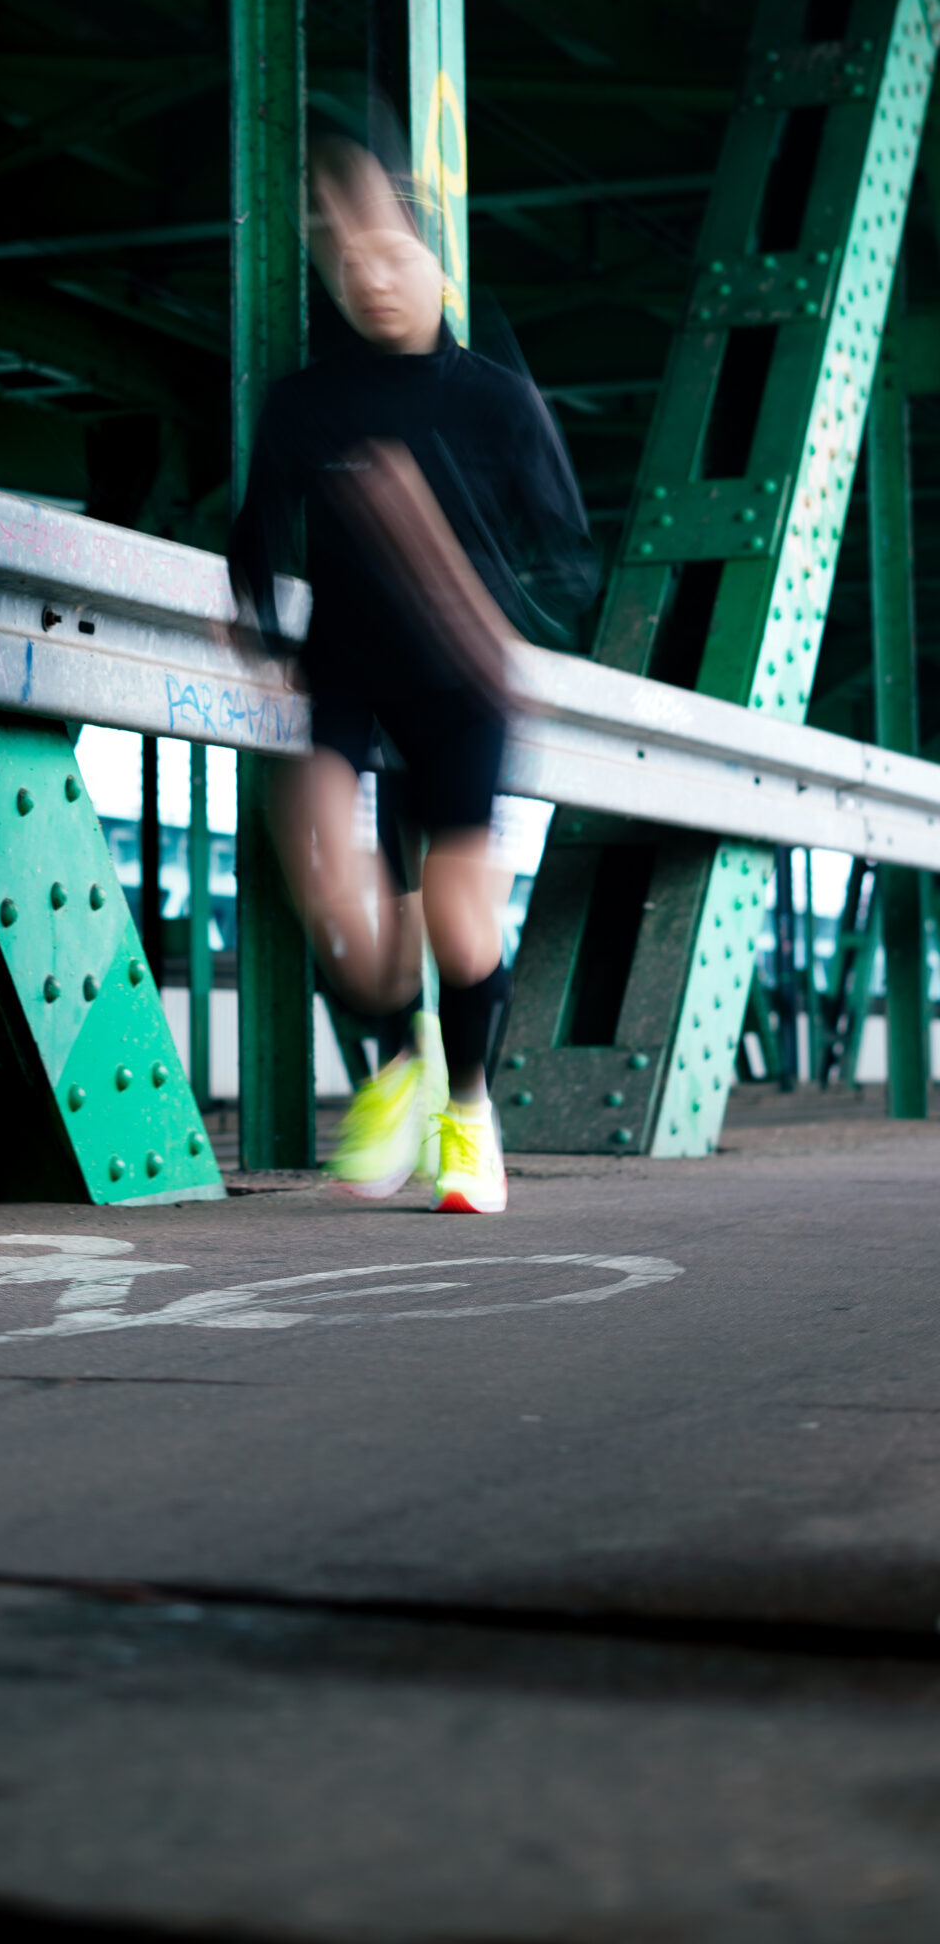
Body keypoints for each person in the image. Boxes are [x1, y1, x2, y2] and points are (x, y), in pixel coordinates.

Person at [228, 137, 598, 1212]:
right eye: (351, 266)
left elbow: (570, 564)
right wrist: (257, 626)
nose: (373, 281)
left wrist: (498, 618)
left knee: (457, 922)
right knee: (344, 902)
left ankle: (467, 1110)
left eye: (392, 258)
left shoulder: (499, 403)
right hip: (345, 679)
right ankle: (399, 1062)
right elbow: (256, 535)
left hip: (461, 693)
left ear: (437, 266)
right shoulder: (305, 404)